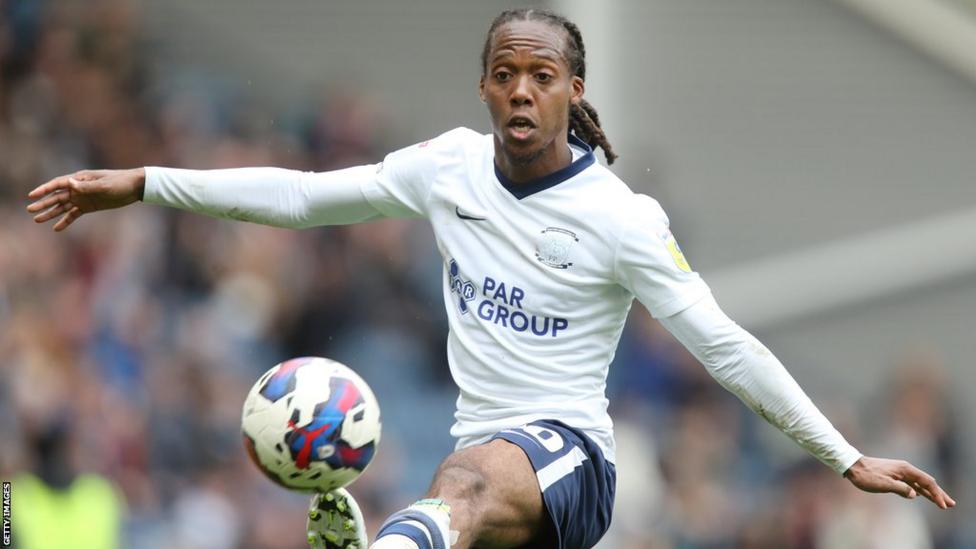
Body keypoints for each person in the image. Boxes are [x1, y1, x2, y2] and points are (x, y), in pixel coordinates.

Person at [26, 8, 955, 549]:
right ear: (482, 87)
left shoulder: (621, 218)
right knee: (458, 482)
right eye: (505, 73)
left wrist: (843, 455)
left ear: (573, 92)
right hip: (479, 472)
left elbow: (723, 344)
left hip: (569, 462)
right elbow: (304, 196)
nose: (520, 90)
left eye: (541, 75)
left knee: (460, 483)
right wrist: (144, 182)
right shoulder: (448, 168)